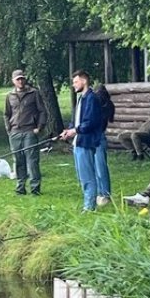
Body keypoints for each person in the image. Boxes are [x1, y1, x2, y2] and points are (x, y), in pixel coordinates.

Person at [59, 70, 102, 212]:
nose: (74, 85)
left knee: (88, 176)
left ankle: (89, 207)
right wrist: (68, 131)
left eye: (76, 82)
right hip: (78, 141)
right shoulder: (81, 98)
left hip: (86, 142)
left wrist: (74, 131)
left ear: (84, 81)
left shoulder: (91, 98)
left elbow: (90, 122)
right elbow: (76, 120)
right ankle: (87, 203)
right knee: (82, 175)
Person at [4, 69, 47, 196]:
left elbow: (42, 111)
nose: (21, 81)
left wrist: (39, 127)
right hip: (15, 132)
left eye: (22, 78)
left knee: (32, 160)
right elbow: (6, 114)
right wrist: (8, 129)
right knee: (18, 160)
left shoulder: (34, 93)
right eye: (18, 79)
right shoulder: (9, 96)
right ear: (13, 81)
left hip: (30, 130)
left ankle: (35, 188)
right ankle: (20, 187)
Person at [118, 95, 150, 161]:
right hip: (143, 132)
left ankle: (140, 156)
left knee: (135, 134)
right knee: (121, 136)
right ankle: (133, 152)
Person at [93, 85, 114, 205]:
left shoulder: (98, 103)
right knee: (100, 166)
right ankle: (102, 193)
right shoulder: (109, 104)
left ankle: (104, 194)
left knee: (99, 167)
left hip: (97, 135)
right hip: (101, 134)